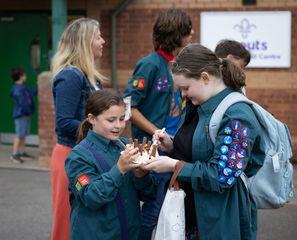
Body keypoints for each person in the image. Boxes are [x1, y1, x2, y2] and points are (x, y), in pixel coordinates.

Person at [142, 43, 265, 240]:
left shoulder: (237, 116)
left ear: (205, 78)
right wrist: (173, 146)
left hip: (219, 221)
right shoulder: (198, 104)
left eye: (185, 88)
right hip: (192, 215)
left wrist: (174, 165)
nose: (183, 94)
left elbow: (222, 175)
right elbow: (200, 149)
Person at [123, 9, 194, 239]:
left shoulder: (179, 65)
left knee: (170, 208)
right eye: (187, 29)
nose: (192, 33)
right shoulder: (149, 65)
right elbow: (128, 107)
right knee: (152, 209)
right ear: (175, 33)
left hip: (175, 147)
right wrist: (157, 132)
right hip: (152, 150)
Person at [65, 89, 157, 240]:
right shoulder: (78, 156)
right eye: (111, 120)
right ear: (92, 119)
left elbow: (149, 194)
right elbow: (90, 197)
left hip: (130, 232)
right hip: (96, 234)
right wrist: (119, 169)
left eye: (122, 119)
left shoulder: (127, 146)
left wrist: (142, 176)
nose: (118, 126)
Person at [50, 18, 106, 240]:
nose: (103, 41)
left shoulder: (91, 77)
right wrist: (99, 127)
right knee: (67, 225)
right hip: (70, 156)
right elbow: (63, 123)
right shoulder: (70, 77)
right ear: (84, 43)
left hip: (86, 154)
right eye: (98, 37)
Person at [9, 66, 37, 163]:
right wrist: (28, 112)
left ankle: (21, 152)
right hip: (21, 115)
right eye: (24, 74)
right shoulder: (17, 89)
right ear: (20, 76)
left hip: (25, 115)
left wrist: (39, 87)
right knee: (19, 135)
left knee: (23, 135)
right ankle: (15, 154)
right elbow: (22, 103)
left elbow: (31, 94)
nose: (25, 76)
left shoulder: (23, 87)